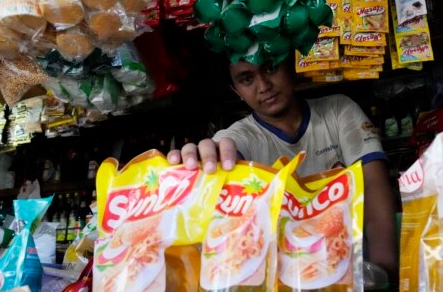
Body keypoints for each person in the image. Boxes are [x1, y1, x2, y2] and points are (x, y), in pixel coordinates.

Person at [168, 58, 398, 283]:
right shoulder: (238, 138)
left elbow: (374, 183)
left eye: (270, 68)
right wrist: (204, 163)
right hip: (286, 279)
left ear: (291, 66)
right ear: (236, 89)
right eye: (246, 79)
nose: (263, 86)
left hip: (354, 268)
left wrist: (381, 270)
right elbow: (222, 152)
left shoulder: (337, 110)